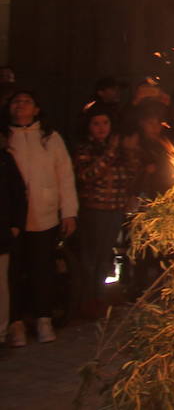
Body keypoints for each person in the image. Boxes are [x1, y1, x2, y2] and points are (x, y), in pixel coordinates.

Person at [5, 90, 78, 345]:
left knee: (42, 269)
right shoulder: (6, 138)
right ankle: (15, 323)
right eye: (16, 101)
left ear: (36, 109)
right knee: (12, 272)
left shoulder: (50, 138)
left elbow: (65, 175)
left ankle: (43, 318)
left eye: (26, 102)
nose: (20, 106)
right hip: (11, 219)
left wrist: (69, 211)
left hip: (44, 214)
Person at [71, 107, 141, 317]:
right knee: (90, 258)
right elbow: (87, 175)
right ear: (89, 127)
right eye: (96, 124)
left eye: (105, 123)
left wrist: (128, 152)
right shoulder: (85, 149)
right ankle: (84, 301)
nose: (101, 128)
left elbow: (130, 174)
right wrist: (110, 152)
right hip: (94, 210)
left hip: (115, 209)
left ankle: (99, 300)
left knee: (104, 258)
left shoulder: (119, 150)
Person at [0, 133, 26, 347]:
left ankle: (1, 332)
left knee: (1, 283)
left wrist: (16, 224)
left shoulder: (5, 160)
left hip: (1, 231)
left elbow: (17, 192)